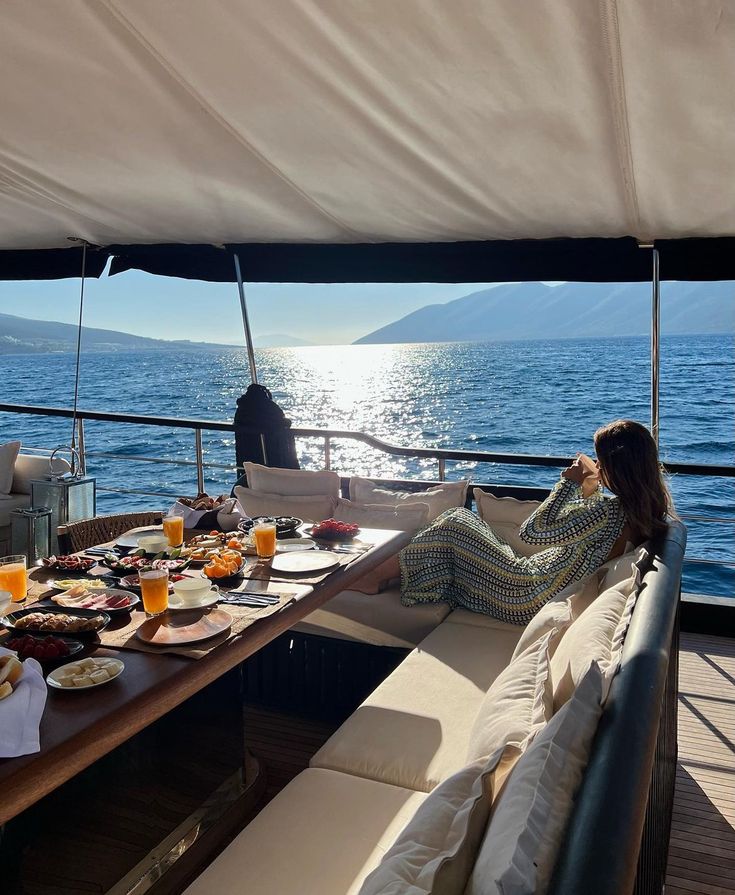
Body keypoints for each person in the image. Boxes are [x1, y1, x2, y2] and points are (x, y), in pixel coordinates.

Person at [399, 419, 674, 625]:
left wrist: (569, 483)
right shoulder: (643, 513)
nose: (598, 469)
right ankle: (389, 573)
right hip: (537, 585)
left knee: (456, 522)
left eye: (601, 464)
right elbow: (586, 538)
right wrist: (591, 492)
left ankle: (376, 575)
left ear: (618, 468)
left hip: (526, 593)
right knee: (463, 523)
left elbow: (532, 532)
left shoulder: (610, 513)